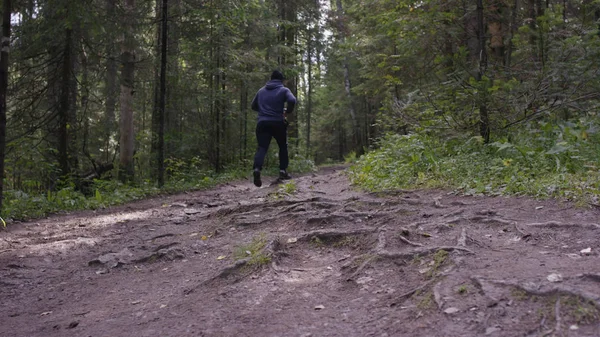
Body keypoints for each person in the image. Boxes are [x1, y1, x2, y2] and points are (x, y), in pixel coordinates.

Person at [251, 70, 296, 187]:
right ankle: (282, 171)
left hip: (262, 123)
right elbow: (292, 100)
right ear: (281, 80)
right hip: (277, 122)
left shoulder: (261, 91)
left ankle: (257, 169)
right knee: (282, 146)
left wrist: (263, 112)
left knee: (262, 147)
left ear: (270, 79)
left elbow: (253, 106)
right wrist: (287, 111)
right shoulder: (284, 90)